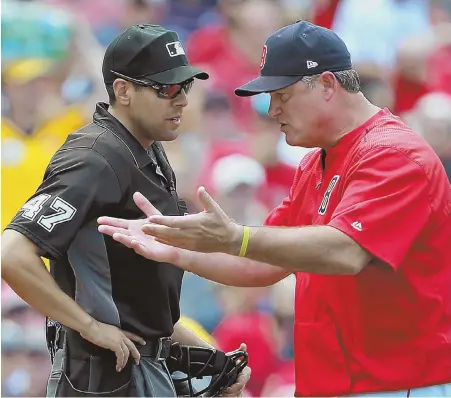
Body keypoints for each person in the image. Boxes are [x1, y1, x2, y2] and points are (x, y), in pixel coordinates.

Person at [98, 20, 451, 397]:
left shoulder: (393, 155)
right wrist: (175, 249)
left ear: (327, 85)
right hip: (335, 384)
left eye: (282, 94)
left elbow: (347, 251)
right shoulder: (316, 162)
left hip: (404, 385)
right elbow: (260, 261)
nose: (272, 109)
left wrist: (236, 236)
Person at [1, 24, 250, 397]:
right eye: (166, 88)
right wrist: (88, 325)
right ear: (123, 90)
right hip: (97, 377)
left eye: (185, 86)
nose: (181, 99)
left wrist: (212, 358)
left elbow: (142, 310)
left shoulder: (147, 149)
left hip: (140, 370)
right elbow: (13, 255)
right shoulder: (95, 157)